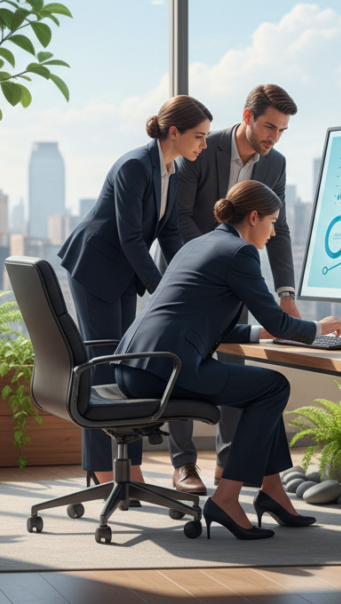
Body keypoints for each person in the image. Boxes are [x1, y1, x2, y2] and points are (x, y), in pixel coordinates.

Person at [113, 180, 341, 540]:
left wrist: (260, 333)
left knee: (263, 388)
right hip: (167, 372)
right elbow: (278, 320)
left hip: (136, 365)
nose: (273, 232)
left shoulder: (200, 244)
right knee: (272, 388)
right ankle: (227, 498)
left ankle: (273, 493)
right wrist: (318, 327)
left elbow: (208, 326)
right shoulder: (240, 252)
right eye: (271, 222)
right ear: (253, 217)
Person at [58, 95, 213, 484]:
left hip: (124, 273)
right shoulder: (133, 166)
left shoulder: (171, 169)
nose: (204, 145)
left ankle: (132, 467)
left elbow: (170, 231)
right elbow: (130, 238)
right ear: (173, 132)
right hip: (96, 269)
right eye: (199, 136)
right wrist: (161, 292)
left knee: (127, 364)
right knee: (102, 367)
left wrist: (186, 278)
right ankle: (100, 469)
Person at [168, 83, 302, 495]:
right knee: (180, 362)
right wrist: (213, 258)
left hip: (238, 277)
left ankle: (228, 467)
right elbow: (179, 215)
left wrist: (285, 291)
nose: (273, 137)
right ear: (247, 117)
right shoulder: (202, 147)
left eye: (281, 130)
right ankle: (183, 464)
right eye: (268, 126)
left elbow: (278, 230)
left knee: (234, 365)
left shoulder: (274, 162)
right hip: (192, 271)